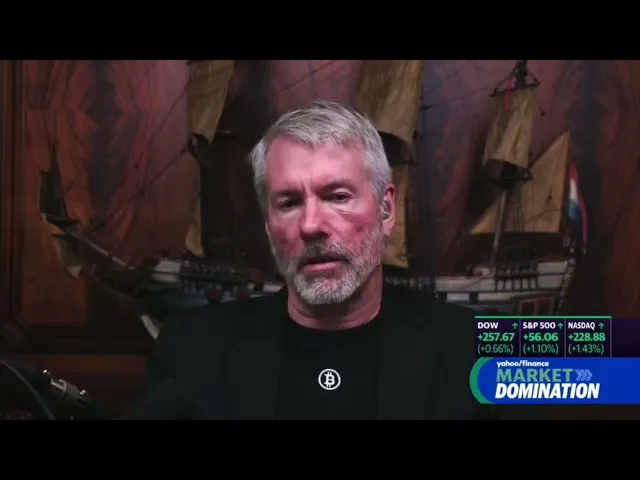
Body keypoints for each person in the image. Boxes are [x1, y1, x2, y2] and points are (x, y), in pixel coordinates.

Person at [140, 100, 539, 420]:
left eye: (338, 197)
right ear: (268, 225)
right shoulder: (190, 352)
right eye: (289, 203)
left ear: (386, 211)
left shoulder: (485, 355)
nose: (311, 225)